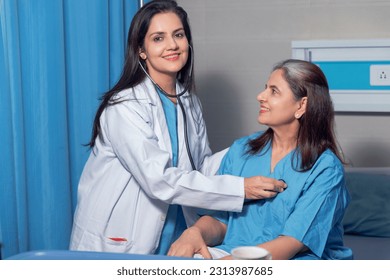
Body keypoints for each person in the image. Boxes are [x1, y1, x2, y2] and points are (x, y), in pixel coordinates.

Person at [69, 0, 286, 255]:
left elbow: (201, 166)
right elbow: (158, 179)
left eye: (178, 35)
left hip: (173, 234)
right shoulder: (124, 106)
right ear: (141, 50)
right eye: (158, 38)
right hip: (120, 237)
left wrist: (255, 145)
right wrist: (240, 189)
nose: (172, 45)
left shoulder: (188, 100)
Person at [167, 59, 353, 260]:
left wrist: (223, 268)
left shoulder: (325, 169)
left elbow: (291, 243)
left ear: (302, 105)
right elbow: (221, 221)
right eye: (265, 88)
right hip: (233, 252)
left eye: (274, 91)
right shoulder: (242, 150)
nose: (260, 96)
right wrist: (195, 233)